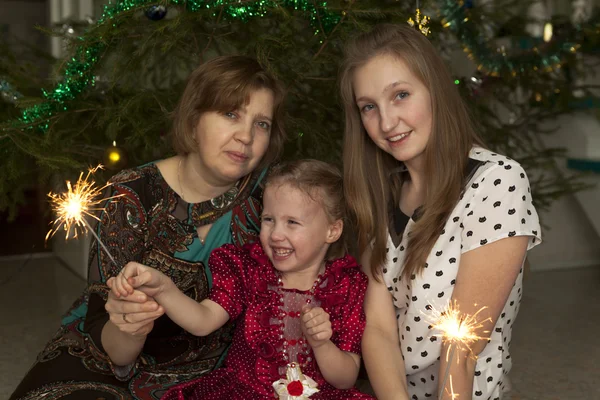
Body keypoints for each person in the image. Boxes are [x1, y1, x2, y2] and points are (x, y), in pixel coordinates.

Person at [10, 55, 286, 400]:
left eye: (262, 124)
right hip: (111, 359)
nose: (246, 136)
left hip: (222, 371)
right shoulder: (130, 195)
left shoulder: (273, 195)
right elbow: (113, 346)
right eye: (230, 114)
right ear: (194, 119)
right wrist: (130, 329)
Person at [339, 24, 542, 400]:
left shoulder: (496, 182)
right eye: (369, 107)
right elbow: (380, 330)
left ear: (435, 91)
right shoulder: (381, 192)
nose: (386, 123)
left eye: (400, 95)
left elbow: (460, 348)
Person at [109, 159, 374, 399]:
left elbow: (345, 378)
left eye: (292, 222)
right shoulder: (249, 269)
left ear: (332, 230)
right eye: (269, 219)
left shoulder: (347, 285)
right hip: (245, 392)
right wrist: (164, 288)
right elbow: (203, 321)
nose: (276, 234)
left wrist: (321, 343)